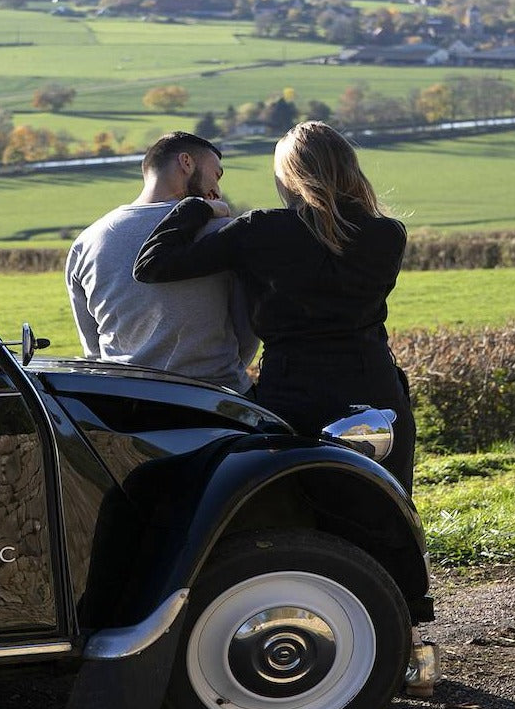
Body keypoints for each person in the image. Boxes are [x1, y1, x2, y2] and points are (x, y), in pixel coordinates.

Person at [133, 121, 415, 491]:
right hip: (375, 390)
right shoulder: (388, 233)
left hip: (294, 395)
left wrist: (198, 208)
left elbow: (152, 264)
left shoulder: (260, 230)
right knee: (384, 511)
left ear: (290, 178)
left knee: (298, 510)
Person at [66, 131, 258, 394]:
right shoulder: (222, 233)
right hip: (217, 400)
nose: (217, 190)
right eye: (216, 174)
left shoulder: (86, 243)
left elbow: (93, 349)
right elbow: (246, 332)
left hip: (126, 404)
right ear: (186, 162)